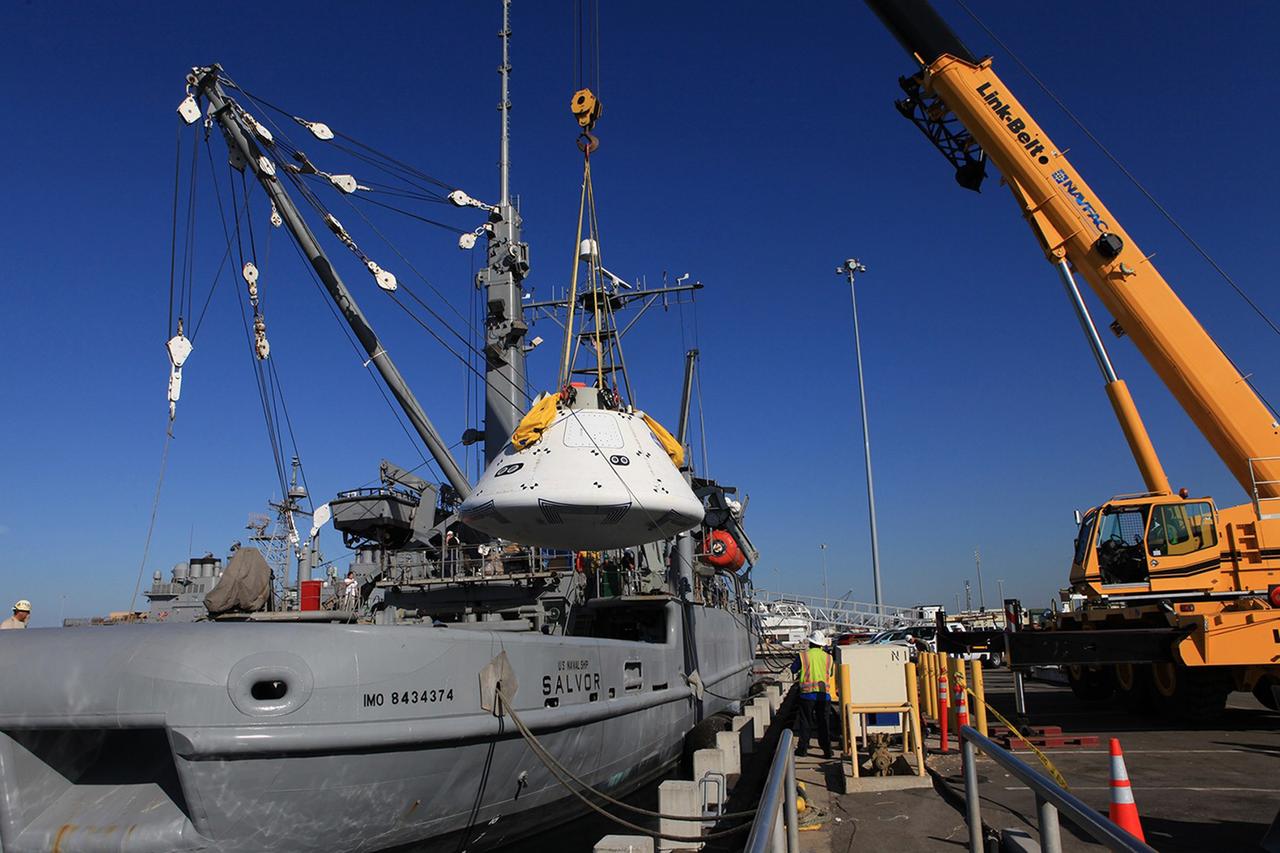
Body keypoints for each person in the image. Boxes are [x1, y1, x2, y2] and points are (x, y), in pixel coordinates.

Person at [791, 629, 834, 758]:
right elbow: (830, 673)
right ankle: (827, 751)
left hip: (807, 695)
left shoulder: (803, 656)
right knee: (824, 723)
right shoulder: (828, 658)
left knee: (805, 722)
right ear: (821, 644)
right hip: (823, 695)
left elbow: (793, 669)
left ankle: (802, 749)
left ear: (810, 643)